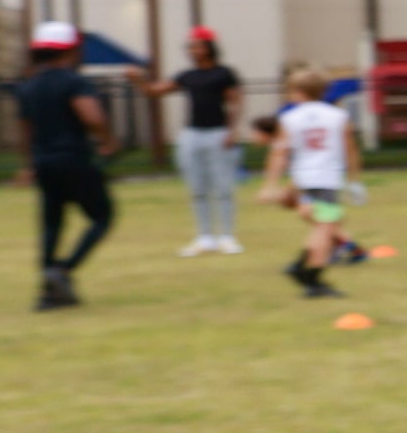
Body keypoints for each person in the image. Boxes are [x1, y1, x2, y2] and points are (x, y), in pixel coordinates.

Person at [11, 20, 116, 310]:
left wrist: (28, 164)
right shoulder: (74, 81)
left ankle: (47, 292)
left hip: (44, 162)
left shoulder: (27, 87)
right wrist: (107, 140)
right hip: (73, 158)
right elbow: (92, 117)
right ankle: (64, 270)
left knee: (51, 224)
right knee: (102, 216)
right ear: (70, 49)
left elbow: (26, 132)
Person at [144, 25, 244, 255]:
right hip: (191, 134)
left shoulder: (224, 73)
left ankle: (227, 237)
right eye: (191, 46)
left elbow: (235, 102)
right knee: (197, 188)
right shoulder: (187, 76)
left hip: (217, 132)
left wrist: (232, 130)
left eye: (198, 45)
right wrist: (140, 81)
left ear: (209, 47)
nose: (193, 50)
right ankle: (204, 236)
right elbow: (154, 91)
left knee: (223, 186)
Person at [263, 67, 359, 299]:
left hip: (304, 178)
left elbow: (279, 152)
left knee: (323, 224)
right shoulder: (337, 116)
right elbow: (351, 150)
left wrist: (271, 183)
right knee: (326, 227)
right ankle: (312, 278)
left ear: (296, 92)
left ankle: (300, 266)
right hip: (326, 178)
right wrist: (356, 181)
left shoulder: (289, 118)